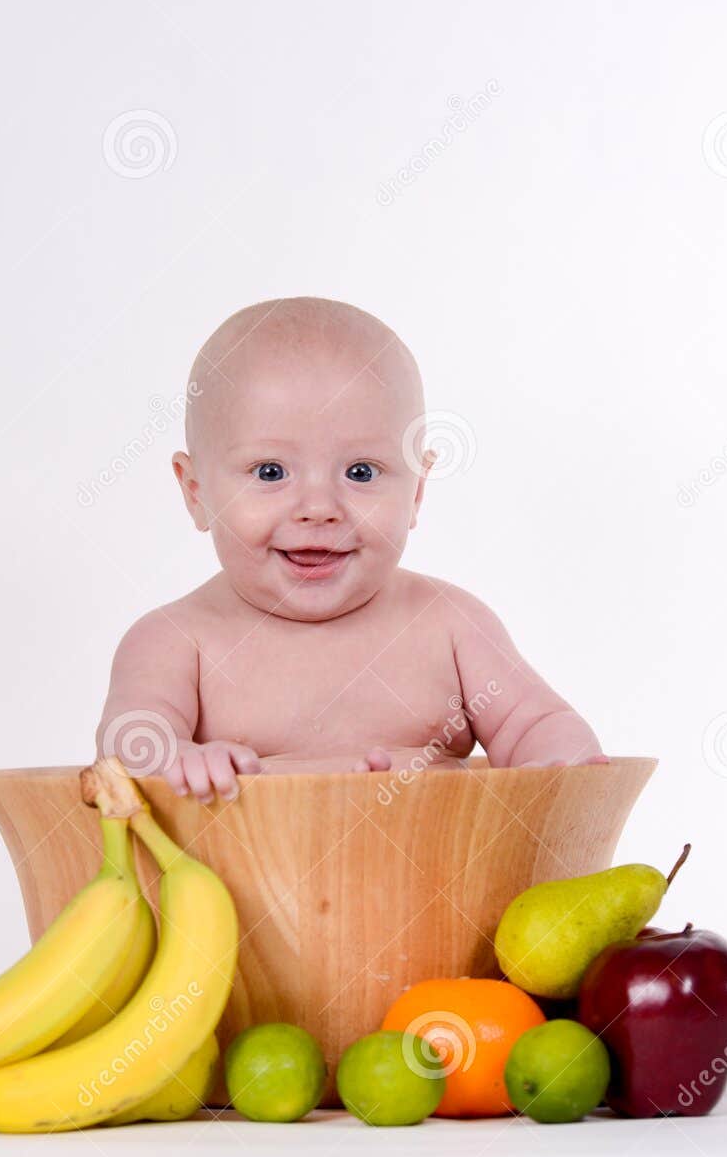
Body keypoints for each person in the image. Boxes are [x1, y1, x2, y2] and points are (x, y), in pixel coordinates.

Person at [96, 296, 606, 803]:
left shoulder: (452, 627)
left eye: (361, 472)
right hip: (238, 882)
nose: (319, 508)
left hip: (439, 878)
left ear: (417, 491)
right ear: (196, 492)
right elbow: (126, 748)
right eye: (270, 472)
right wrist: (175, 762)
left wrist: (558, 761)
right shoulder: (174, 642)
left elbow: (537, 723)